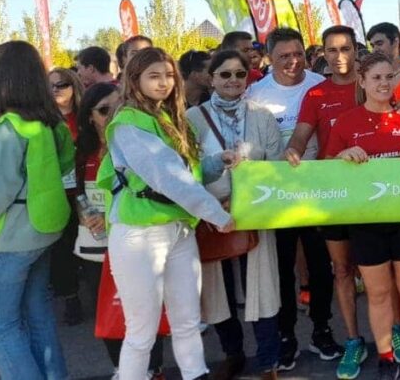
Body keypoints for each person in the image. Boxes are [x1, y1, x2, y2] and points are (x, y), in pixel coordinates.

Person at [97, 47, 234, 380]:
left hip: (178, 231)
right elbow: (168, 178)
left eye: (168, 76)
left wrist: (218, 163)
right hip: (140, 235)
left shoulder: (164, 117)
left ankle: (195, 374)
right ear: (135, 80)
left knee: (187, 321)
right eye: (153, 76)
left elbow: (186, 172)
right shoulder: (130, 122)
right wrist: (217, 215)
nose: (163, 83)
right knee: (141, 332)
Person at [326, 52, 400, 380]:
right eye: (376, 78)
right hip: (367, 222)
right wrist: (342, 156)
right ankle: (385, 357)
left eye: (389, 77)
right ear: (362, 81)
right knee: (378, 292)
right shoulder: (346, 122)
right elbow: (327, 169)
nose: (384, 83)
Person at [187, 50, 283, 380]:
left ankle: (268, 360)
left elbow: (277, 165)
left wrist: (249, 195)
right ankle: (233, 353)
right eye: (225, 74)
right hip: (212, 215)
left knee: (263, 288)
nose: (233, 80)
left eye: (240, 74)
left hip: (256, 213)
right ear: (211, 78)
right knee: (218, 290)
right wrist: (216, 204)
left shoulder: (262, 116)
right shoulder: (192, 118)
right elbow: (187, 170)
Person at [247, 27, 338, 370]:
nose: (293, 61)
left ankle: (322, 329)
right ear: (269, 57)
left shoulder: (319, 84)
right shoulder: (255, 93)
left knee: (320, 266)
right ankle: (287, 336)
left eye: (298, 53)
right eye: (284, 56)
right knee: (282, 268)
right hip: (277, 193)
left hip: (319, 189)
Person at [284, 25, 371, 378]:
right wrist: (292, 149)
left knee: (381, 273)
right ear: (322, 53)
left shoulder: (371, 85)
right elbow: (302, 135)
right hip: (336, 195)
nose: (340, 57)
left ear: (356, 51)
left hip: (376, 193)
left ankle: (395, 333)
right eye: (332, 50)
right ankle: (353, 339)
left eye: (346, 49)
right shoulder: (317, 95)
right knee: (343, 271)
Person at [74, 82, 170, 378]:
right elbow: (75, 192)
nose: (112, 115)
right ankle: (122, 369)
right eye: (104, 110)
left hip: (137, 243)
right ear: (90, 116)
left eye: (119, 107)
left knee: (147, 312)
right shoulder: (82, 152)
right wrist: (87, 215)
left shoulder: (140, 141)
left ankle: (153, 369)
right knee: (110, 315)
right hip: (95, 248)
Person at [0, 41, 74, 380]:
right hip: (44, 231)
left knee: (2, 327)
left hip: (10, 238)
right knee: (39, 314)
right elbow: (67, 164)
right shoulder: (53, 123)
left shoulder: (8, 129)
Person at [47, 67, 85, 324]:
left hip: (87, 191)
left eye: (62, 84)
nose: (57, 90)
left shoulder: (87, 117)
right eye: (51, 86)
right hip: (57, 193)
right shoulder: (43, 121)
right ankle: (71, 299)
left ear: (73, 86)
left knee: (89, 245)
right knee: (61, 251)